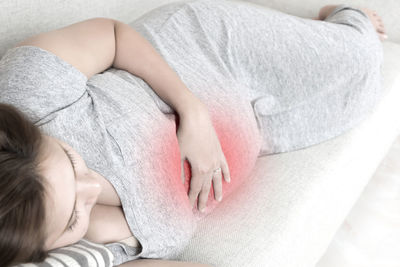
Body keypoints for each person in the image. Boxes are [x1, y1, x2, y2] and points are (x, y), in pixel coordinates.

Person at [0, 0, 386, 266]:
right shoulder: (71, 246)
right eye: (72, 216)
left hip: (203, 51)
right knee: (352, 99)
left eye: (69, 159)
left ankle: (344, 16)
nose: (90, 189)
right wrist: (107, 229)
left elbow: (113, 36)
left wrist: (193, 111)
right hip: (254, 129)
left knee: (366, 56)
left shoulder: (21, 96)